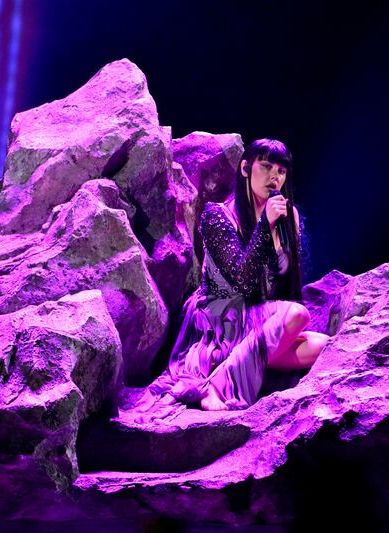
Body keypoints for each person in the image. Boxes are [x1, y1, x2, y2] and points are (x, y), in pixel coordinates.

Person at [133, 138, 331, 416]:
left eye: (282, 171)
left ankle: (237, 363)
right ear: (246, 169)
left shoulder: (289, 217)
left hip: (258, 318)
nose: (274, 177)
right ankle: (218, 383)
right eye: (266, 167)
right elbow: (241, 281)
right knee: (298, 315)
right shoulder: (218, 215)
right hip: (220, 318)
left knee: (325, 346)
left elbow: (286, 282)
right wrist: (265, 226)